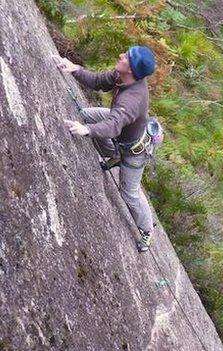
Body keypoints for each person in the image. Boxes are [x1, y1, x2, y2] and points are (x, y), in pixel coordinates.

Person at [54, 46, 157, 253]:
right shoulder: (122, 76)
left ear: (133, 69)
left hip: (135, 151)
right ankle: (113, 156)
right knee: (87, 115)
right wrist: (75, 69)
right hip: (122, 130)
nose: (121, 55)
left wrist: (87, 130)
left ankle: (147, 230)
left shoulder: (132, 99)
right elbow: (100, 82)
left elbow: (113, 126)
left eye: (126, 57)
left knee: (130, 194)